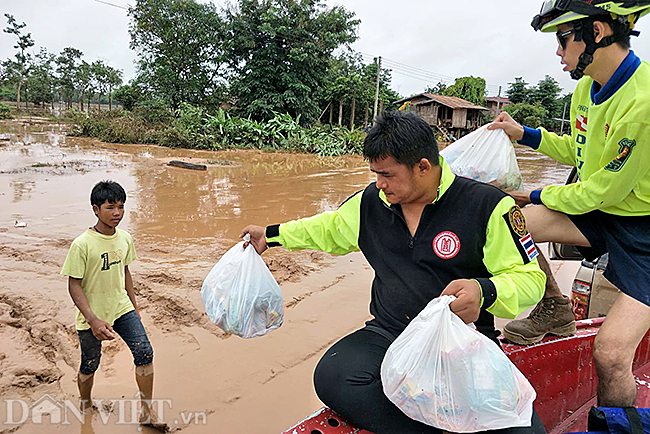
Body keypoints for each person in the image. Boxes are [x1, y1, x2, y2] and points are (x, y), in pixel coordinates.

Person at [241, 111, 546, 434]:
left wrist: (484, 291)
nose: (379, 183)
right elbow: (326, 229)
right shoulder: (371, 203)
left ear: (424, 167)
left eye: (387, 175)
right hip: (390, 332)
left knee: (524, 430)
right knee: (334, 376)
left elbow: (530, 279)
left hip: (461, 343)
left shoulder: (488, 205)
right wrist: (271, 235)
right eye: (374, 173)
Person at [488, 0, 650, 408]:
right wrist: (522, 133)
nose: (558, 52)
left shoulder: (642, 105)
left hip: (644, 234)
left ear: (596, 33)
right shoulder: (585, 88)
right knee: (511, 221)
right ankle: (554, 306)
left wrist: (534, 193)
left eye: (563, 39)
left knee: (611, 356)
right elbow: (579, 152)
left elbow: (601, 190)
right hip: (605, 215)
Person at [60, 181, 166, 431]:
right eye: (110, 207)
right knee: (90, 363)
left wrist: (135, 308)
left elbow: (125, 272)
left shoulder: (125, 239)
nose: (117, 213)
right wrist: (92, 318)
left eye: (121, 207)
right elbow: (74, 285)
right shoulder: (82, 245)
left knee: (145, 353)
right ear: (96, 209)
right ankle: (85, 403)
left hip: (121, 308)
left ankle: (147, 412)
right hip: (92, 314)